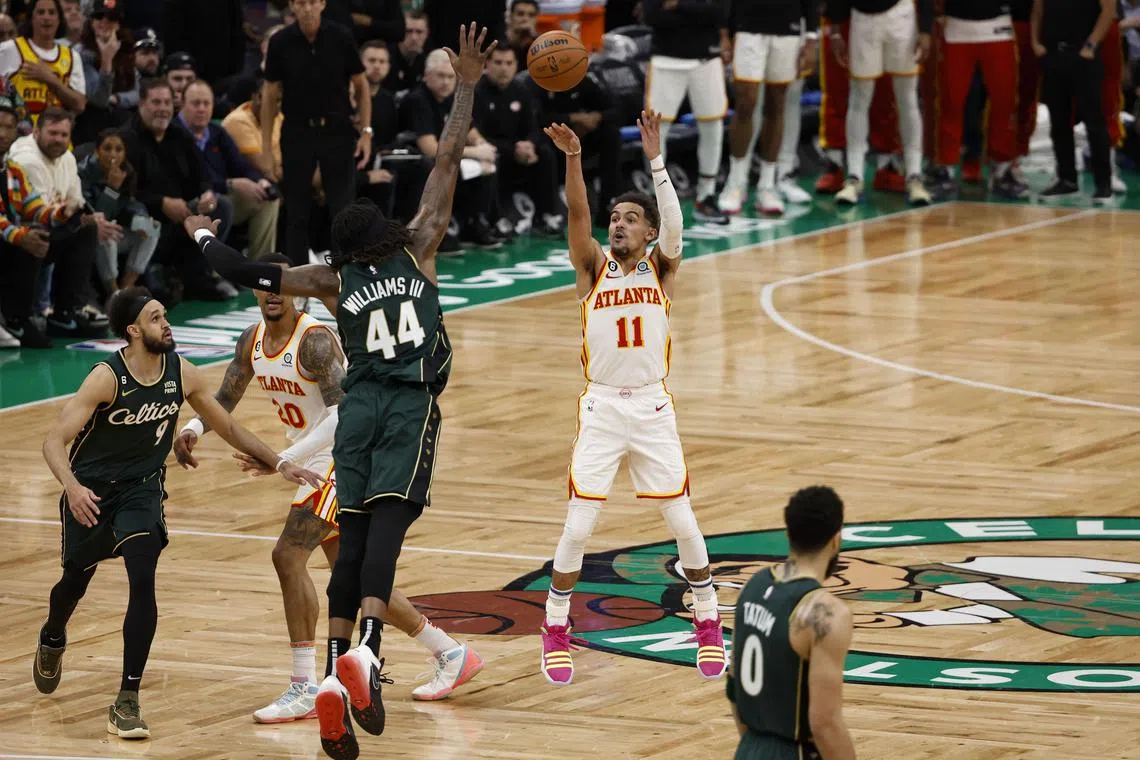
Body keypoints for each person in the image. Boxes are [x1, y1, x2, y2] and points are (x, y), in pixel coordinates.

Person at [185, 24, 495, 760]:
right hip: (408, 401)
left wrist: (201, 237)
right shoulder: (418, 245)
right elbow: (448, 157)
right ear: (387, 233)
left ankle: (331, 668)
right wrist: (470, 85)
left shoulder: (327, 281)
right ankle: (369, 655)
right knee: (383, 525)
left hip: (355, 416)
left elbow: (245, 271)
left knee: (346, 541)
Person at [173, 255, 484, 721]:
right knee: (357, 580)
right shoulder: (251, 339)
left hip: (346, 456)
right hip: (311, 460)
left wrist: (283, 460)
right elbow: (226, 396)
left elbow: (345, 412)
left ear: (297, 290)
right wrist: (195, 427)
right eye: (266, 287)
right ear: (256, 292)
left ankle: (304, 684)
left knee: (287, 555)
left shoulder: (315, 341)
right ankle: (450, 653)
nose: (274, 294)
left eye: (282, 286)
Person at [32, 287, 322, 740]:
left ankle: (127, 699)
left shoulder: (180, 371)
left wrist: (282, 462)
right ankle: (52, 635)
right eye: (155, 318)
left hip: (142, 491)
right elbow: (53, 442)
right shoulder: (106, 377)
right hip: (90, 493)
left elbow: (227, 425)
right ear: (133, 331)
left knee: (142, 576)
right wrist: (71, 488)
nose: (166, 323)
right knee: (75, 580)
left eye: (165, 315)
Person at [538, 109, 726, 685]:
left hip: (652, 407)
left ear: (647, 233)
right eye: (615, 217)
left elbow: (676, 224)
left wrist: (656, 161)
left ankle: (709, 619)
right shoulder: (592, 269)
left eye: (629, 219)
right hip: (601, 407)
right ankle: (556, 626)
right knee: (578, 525)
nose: (618, 225)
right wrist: (573, 158)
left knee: (683, 519)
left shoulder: (661, 268)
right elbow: (578, 214)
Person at [726, 486, 855, 760]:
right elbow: (825, 724)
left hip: (749, 748)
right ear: (836, 540)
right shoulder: (827, 613)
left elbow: (733, 686)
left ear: (788, 534)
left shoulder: (754, 586)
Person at [263, 0, 371, 266]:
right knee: (296, 212)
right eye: (301, 2)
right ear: (292, 6)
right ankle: (299, 280)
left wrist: (366, 131)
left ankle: (345, 273)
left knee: (343, 210)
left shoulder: (341, 36)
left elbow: (361, 85)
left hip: (337, 131)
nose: (308, 8)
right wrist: (267, 147)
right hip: (297, 131)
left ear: (322, 4)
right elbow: (269, 94)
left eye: (313, 1)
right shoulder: (280, 41)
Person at [9, 107, 120, 338]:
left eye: (63, 135)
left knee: (86, 229)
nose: (58, 140)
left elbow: (76, 202)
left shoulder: (67, 158)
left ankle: (67, 311)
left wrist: (87, 219)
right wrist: (75, 216)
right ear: (37, 133)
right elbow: (36, 214)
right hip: (15, 239)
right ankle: (21, 315)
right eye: (53, 133)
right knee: (39, 231)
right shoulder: (26, 160)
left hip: (50, 230)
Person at [123, 77, 233, 302]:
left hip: (182, 215)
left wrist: (206, 195)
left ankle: (196, 277)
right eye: (156, 102)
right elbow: (127, 194)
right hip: (146, 218)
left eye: (166, 103)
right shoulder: (127, 138)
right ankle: (151, 273)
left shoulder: (180, 135)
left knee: (221, 207)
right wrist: (162, 202)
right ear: (141, 104)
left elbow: (201, 177)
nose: (162, 109)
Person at [828, 0, 933, 206]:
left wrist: (926, 28)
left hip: (902, 16)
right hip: (863, 19)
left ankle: (914, 176)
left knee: (907, 98)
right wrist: (836, 29)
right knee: (859, 98)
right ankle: (854, 177)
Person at [718, 0, 818, 216]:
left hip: (788, 28)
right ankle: (736, 183)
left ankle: (767, 185)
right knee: (746, 103)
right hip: (747, 28)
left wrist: (811, 38)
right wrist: (723, 32)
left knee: (777, 104)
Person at [401, 47, 504, 248]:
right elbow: (430, 149)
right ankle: (434, 228)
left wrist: (484, 147)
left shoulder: (453, 97)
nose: (446, 82)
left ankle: (477, 223)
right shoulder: (418, 100)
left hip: (447, 156)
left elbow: (471, 132)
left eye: (450, 77)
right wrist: (475, 152)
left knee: (487, 163)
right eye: (440, 76)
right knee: (444, 165)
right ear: (427, 76)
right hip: (416, 159)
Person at [927, 1, 1026, 200]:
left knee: (1003, 101)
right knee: (951, 101)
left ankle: (1003, 168)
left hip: (998, 28)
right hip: (956, 29)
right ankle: (945, 168)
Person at [643, 0, 730, 224]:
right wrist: (699, 12)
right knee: (657, 130)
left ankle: (707, 197)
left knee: (713, 126)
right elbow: (652, 16)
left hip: (706, 58)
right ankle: (657, 202)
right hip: (666, 59)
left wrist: (679, 5)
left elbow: (720, 12)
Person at [179, 79, 280, 257]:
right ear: (182, 104)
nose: (202, 108)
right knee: (221, 205)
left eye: (206, 103)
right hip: (190, 200)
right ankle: (213, 273)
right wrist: (230, 184)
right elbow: (190, 181)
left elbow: (240, 165)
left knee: (267, 198)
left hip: (221, 195)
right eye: (196, 103)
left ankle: (260, 270)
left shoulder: (216, 133)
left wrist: (259, 181)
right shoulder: (174, 133)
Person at [0, 93, 68, 349]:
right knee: (26, 237)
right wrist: (21, 236)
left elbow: (33, 206)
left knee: (42, 233)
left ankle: (30, 316)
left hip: (7, 241)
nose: (3, 133)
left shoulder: (13, 169)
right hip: (5, 238)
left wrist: (59, 213)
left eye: (9, 127)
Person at [1031, 0, 1116, 202]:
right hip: (1053, 54)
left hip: (1084, 55)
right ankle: (1066, 179)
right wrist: (1036, 42)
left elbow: (1108, 11)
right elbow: (1037, 10)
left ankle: (1104, 184)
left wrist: (1091, 44)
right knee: (1058, 120)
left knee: (1094, 120)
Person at [475, 44, 563, 237]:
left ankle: (548, 213)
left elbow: (533, 127)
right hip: (494, 150)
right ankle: (495, 219)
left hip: (520, 151)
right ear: (487, 64)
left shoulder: (521, 90)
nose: (503, 68)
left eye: (508, 63)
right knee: (490, 156)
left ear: (516, 66)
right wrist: (513, 148)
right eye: (498, 62)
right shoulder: (477, 92)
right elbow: (477, 135)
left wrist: (529, 144)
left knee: (546, 152)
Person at [79, 127, 161, 296]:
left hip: (116, 232)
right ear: (97, 151)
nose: (113, 155)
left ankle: (127, 287)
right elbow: (99, 216)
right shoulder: (83, 173)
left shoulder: (127, 172)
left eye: (119, 149)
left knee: (152, 229)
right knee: (108, 230)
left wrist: (142, 218)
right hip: (88, 236)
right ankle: (113, 292)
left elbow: (130, 203)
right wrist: (111, 189)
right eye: (107, 148)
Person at [0, 0, 86, 123]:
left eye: (52, 13)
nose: (47, 17)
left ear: (59, 20)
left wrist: (50, 79)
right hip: (18, 136)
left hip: (57, 136)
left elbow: (79, 104)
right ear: (31, 18)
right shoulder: (9, 49)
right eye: (41, 12)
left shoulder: (73, 56)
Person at [71, 0, 135, 145]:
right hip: (88, 127)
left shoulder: (126, 49)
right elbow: (99, 100)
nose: (104, 22)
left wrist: (117, 98)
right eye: (99, 17)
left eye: (111, 19)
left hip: (121, 124)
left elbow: (138, 92)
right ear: (91, 22)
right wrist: (107, 60)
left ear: (118, 24)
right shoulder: (79, 54)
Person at [382, 8, 426, 93]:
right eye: (408, 31)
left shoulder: (429, 62)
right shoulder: (384, 57)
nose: (414, 38)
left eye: (419, 32)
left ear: (426, 34)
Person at [505, 0, 538, 64]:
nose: (525, 19)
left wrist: (535, 39)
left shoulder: (540, 43)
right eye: (520, 14)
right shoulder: (496, 41)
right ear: (510, 16)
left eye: (531, 15)